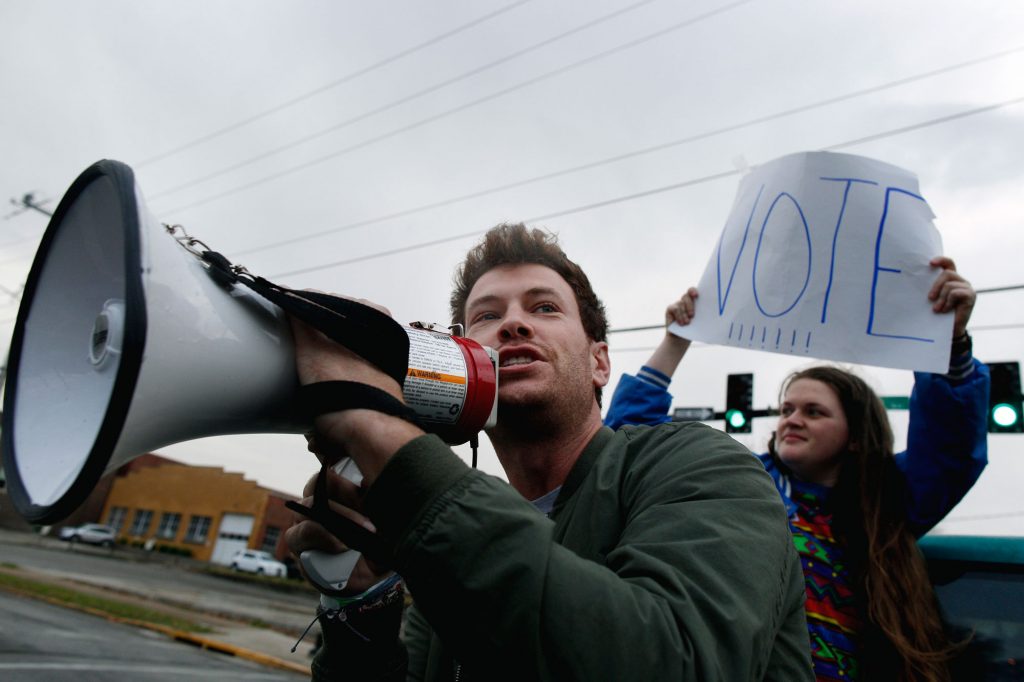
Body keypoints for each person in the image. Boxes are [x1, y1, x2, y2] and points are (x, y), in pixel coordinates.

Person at [285, 223, 814, 681]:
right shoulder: (448, 540)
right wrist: (363, 607)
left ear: (599, 363)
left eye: (544, 307)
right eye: (487, 317)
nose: (515, 323)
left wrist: (374, 425)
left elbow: (676, 664)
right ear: (461, 364)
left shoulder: (707, 467)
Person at [604, 258, 989, 681]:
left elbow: (950, 452)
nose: (791, 419)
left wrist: (950, 343)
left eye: (814, 411)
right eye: (787, 409)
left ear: (857, 435)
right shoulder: (736, 482)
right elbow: (630, 452)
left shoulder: (885, 504)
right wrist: (675, 342)